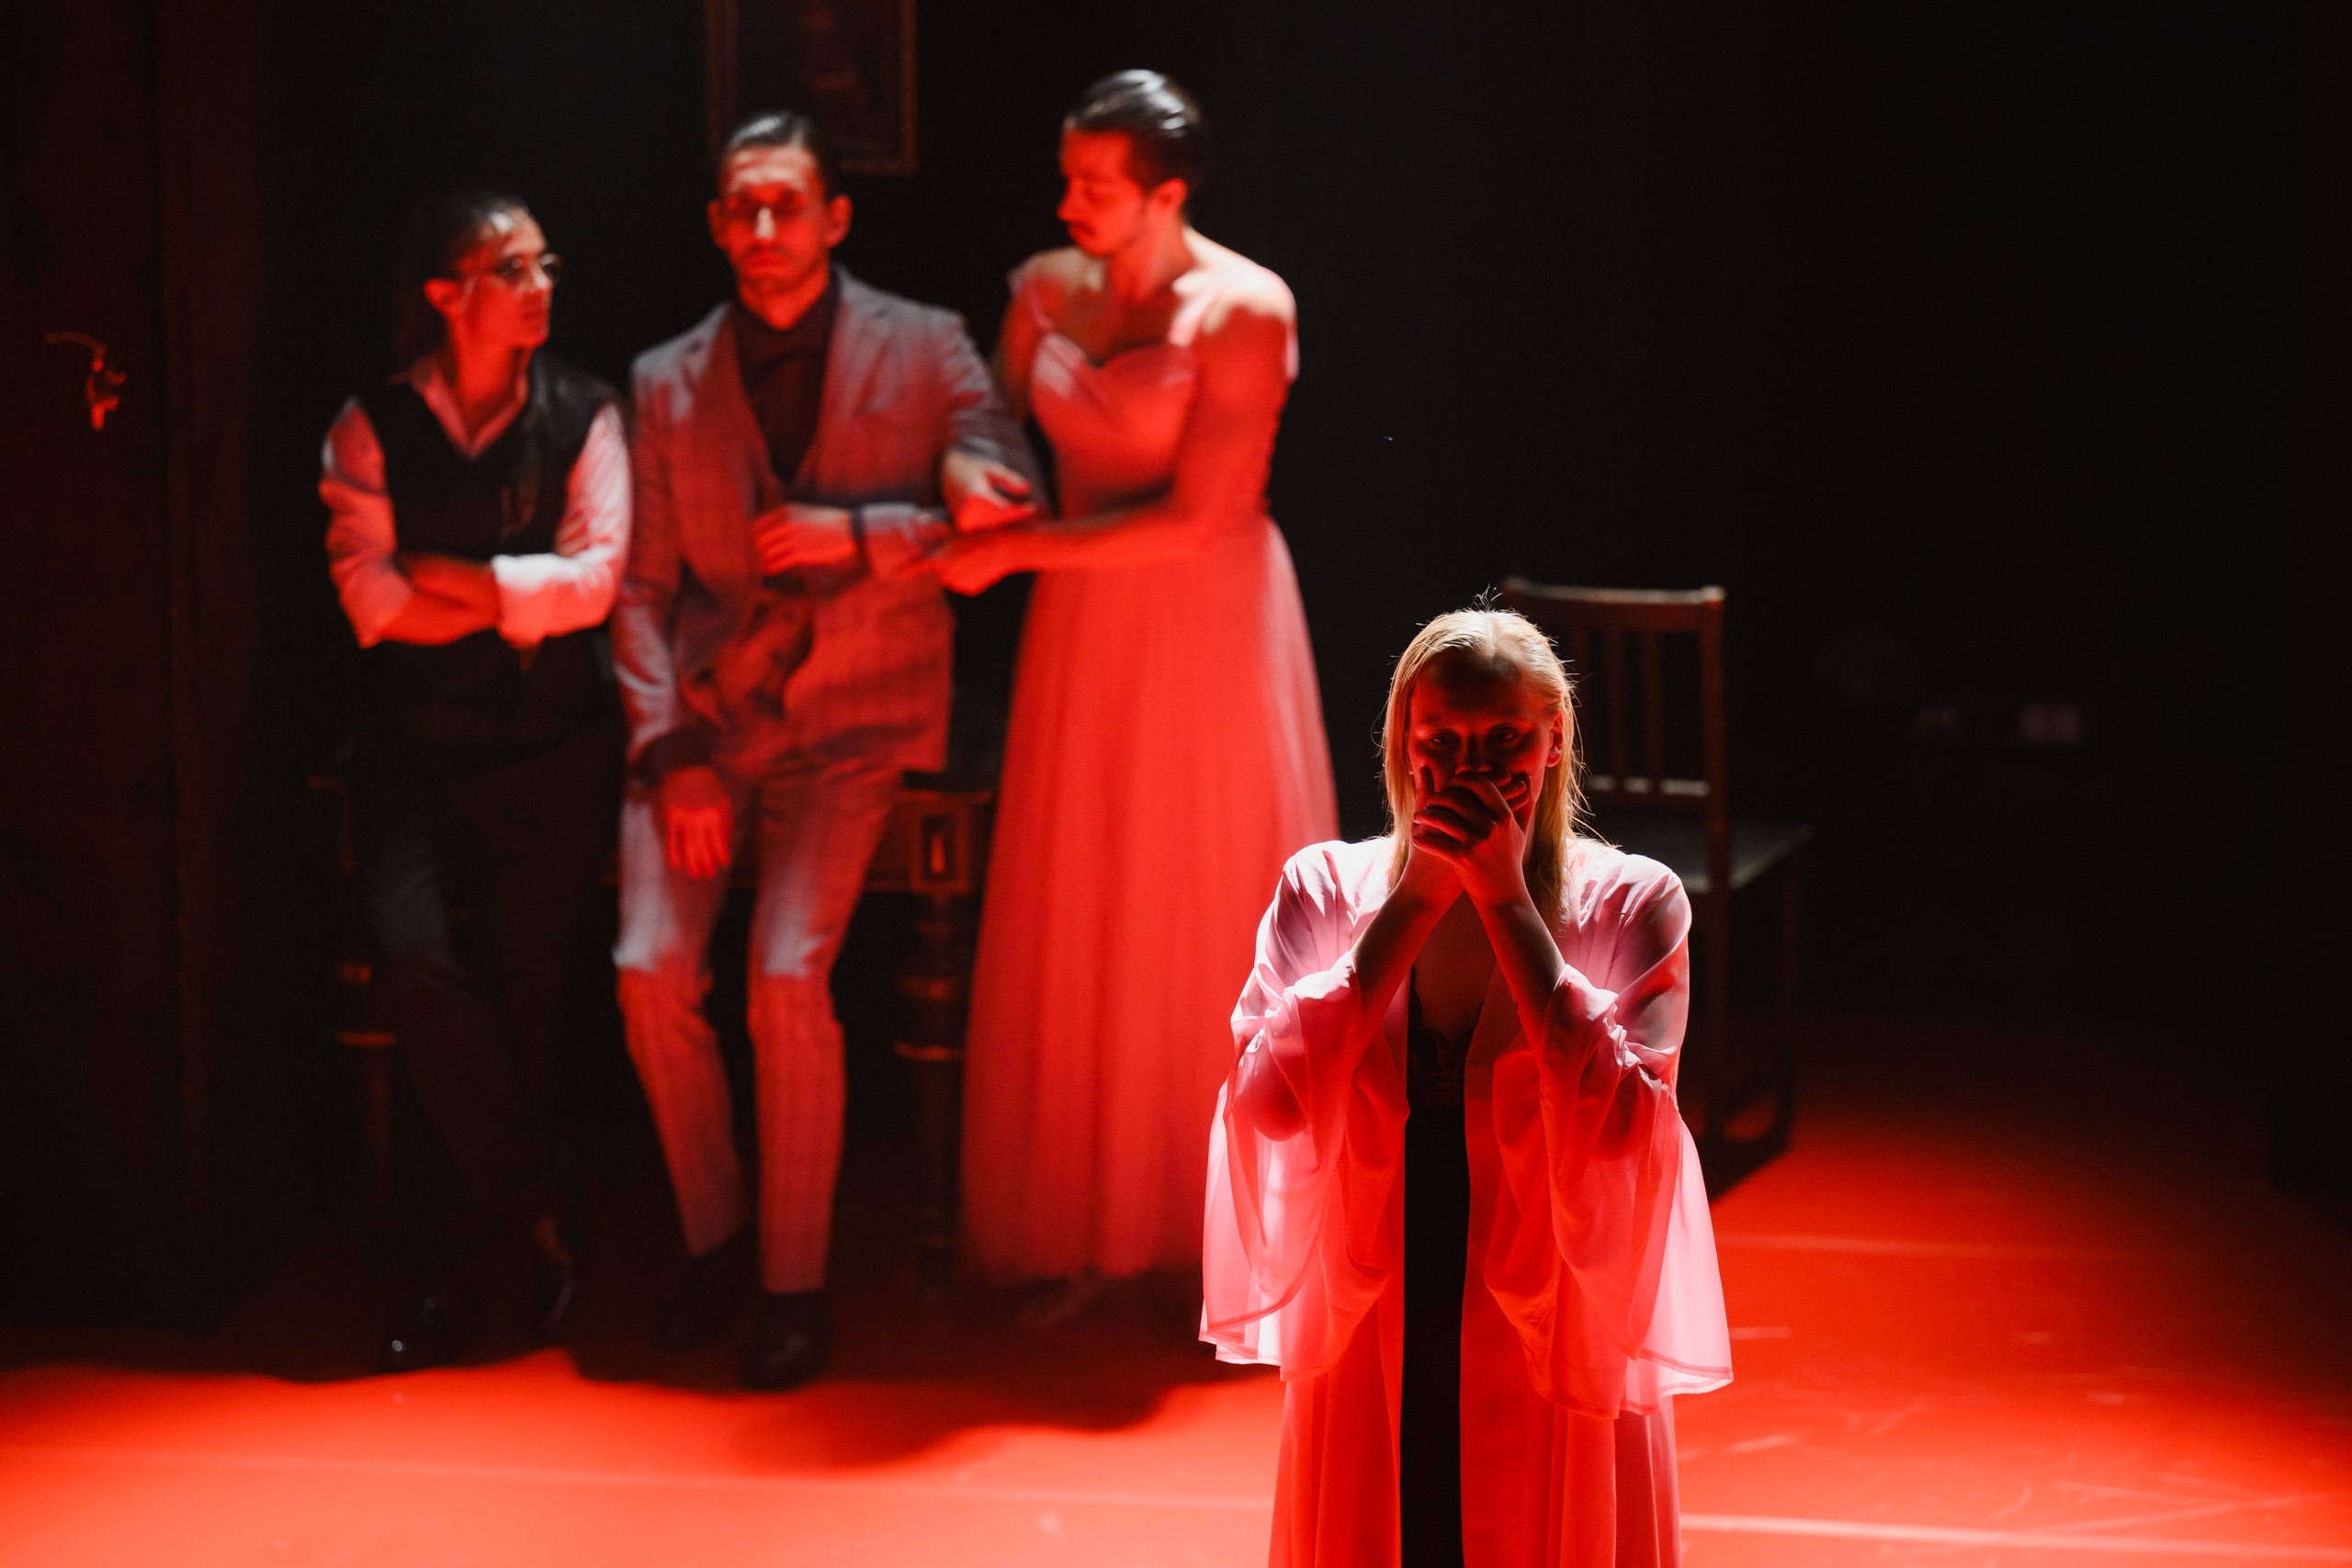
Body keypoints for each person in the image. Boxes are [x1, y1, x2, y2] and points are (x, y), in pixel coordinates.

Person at [613, 110, 1037, 1390]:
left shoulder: (927, 344)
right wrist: (671, 750)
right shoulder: (665, 379)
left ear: (834, 217)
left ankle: (795, 1284)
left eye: (785, 205)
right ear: (715, 223)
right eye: (741, 208)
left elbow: (1004, 505)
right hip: (707, 721)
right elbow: (641, 589)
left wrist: (859, 531)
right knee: (649, 967)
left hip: (855, 721)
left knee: (786, 976)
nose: (762, 229)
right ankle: (716, 1243)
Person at [920, 71, 1338, 1303]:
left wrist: (1019, 552)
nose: (1069, 204)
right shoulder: (1046, 288)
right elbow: (984, 419)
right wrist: (969, 474)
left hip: (1205, 620)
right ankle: (1092, 1219)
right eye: (1068, 179)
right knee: (1088, 886)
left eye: (1095, 186)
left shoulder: (1244, 307)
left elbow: (1203, 516)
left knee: (1194, 889)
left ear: (1167, 193)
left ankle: (1222, 1228)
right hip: (1083, 623)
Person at [1202, 609, 1733, 1567]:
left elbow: (1626, 1130)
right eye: (1440, 742)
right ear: (1403, 745)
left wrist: (1505, 903)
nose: (1469, 769)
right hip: (1379, 1297)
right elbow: (1268, 1105)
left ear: (1553, 739)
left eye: (1502, 741)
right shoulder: (1324, 888)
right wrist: (1413, 904)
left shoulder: (1633, 902)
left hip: (1551, 1309)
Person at [320, 191, 628, 1371]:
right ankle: (542, 1202)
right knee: (415, 960)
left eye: (546, 264)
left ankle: (469, 1263)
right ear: (447, 295)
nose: (540, 286)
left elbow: (592, 587)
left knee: (521, 999)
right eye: (512, 269)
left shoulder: (585, 412)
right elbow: (370, 601)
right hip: (418, 752)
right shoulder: (372, 425)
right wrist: (514, 598)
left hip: (549, 751)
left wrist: (457, 581)